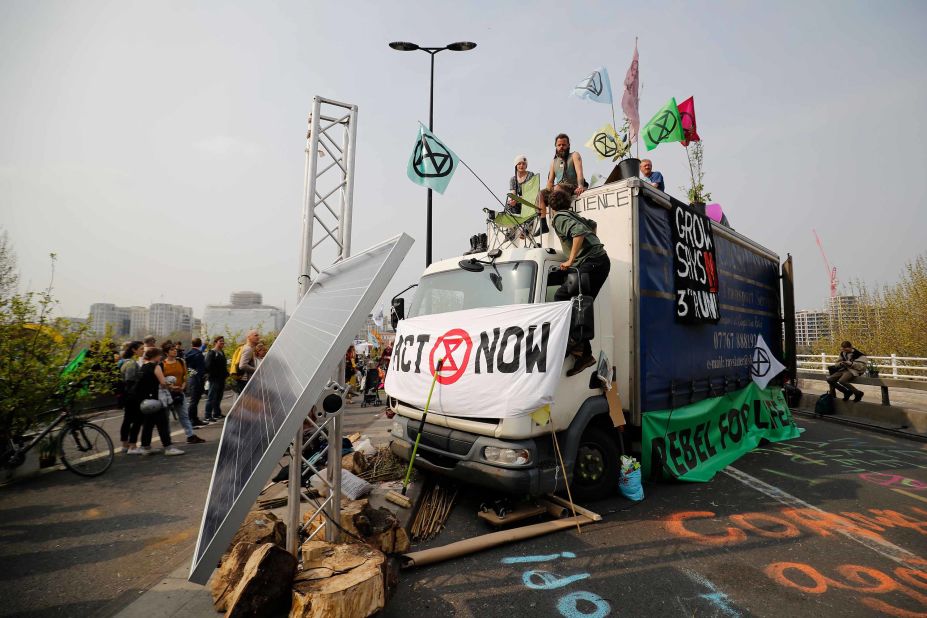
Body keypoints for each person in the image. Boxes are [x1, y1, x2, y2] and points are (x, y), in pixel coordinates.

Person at [545, 183, 611, 376]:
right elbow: (591, 226)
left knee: (561, 298)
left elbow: (579, 233)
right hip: (599, 261)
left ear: (551, 208)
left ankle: (572, 341)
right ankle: (585, 353)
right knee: (580, 304)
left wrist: (571, 259)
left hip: (591, 263)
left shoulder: (559, 218)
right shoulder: (572, 214)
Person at [128, 348, 185, 456]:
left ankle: (146, 447)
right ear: (155, 356)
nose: (161, 357)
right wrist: (171, 385)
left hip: (145, 401)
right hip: (156, 399)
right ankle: (168, 447)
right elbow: (163, 383)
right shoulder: (156, 366)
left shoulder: (143, 367)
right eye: (159, 355)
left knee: (148, 424)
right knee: (162, 423)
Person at [161, 342, 205, 444]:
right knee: (166, 417)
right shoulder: (162, 364)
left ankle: (190, 436)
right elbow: (161, 379)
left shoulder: (181, 361)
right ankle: (167, 439)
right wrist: (171, 386)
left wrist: (184, 385)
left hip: (180, 392)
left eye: (175, 349)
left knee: (184, 415)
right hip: (167, 394)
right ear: (166, 353)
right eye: (172, 349)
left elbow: (185, 374)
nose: (175, 351)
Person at [118, 341, 143, 453]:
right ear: (134, 350)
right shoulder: (132, 364)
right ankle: (132, 446)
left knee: (127, 420)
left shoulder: (123, 362)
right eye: (141, 349)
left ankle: (125, 444)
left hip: (126, 396)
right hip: (133, 396)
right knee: (137, 420)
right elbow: (130, 382)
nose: (143, 351)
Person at [204, 335, 228, 422]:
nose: (222, 342)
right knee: (211, 396)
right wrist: (213, 374)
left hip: (221, 378)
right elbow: (207, 366)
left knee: (219, 396)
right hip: (214, 379)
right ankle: (207, 415)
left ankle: (217, 413)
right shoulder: (212, 353)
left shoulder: (222, 352)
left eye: (223, 341)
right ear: (215, 342)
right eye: (220, 341)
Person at [184, 337, 208, 427]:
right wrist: (200, 376)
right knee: (194, 401)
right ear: (200, 344)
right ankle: (192, 420)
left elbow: (188, 367)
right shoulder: (199, 355)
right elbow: (201, 370)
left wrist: (193, 374)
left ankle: (194, 418)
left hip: (191, 378)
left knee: (193, 400)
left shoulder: (188, 354)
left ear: (192, 344)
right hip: (198, 380)